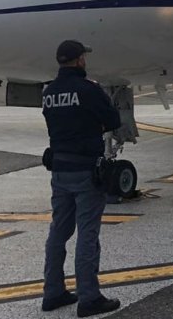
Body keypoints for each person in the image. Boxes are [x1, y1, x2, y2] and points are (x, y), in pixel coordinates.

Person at [41, 40, 123, 317]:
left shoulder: (50, 92)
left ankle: (53, 292)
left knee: (58, 232)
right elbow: (113, 120)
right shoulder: (88, 89)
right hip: (86, 170)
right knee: (88, 234)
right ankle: (89, 297)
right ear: (79, 60)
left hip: (59, 170)